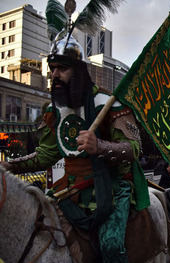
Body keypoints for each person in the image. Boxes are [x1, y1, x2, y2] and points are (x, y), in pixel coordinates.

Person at [0, 34, 149, 263]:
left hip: (111, 187)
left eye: (62, 68)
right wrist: (10, 165)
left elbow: (134, 148)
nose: (55, 75)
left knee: (110, 246)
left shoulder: (106, 102)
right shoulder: (55, 110)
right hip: (68, 191)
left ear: (78, 70)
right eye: (52, 68)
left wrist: (98, 146)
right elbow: (46, 155)